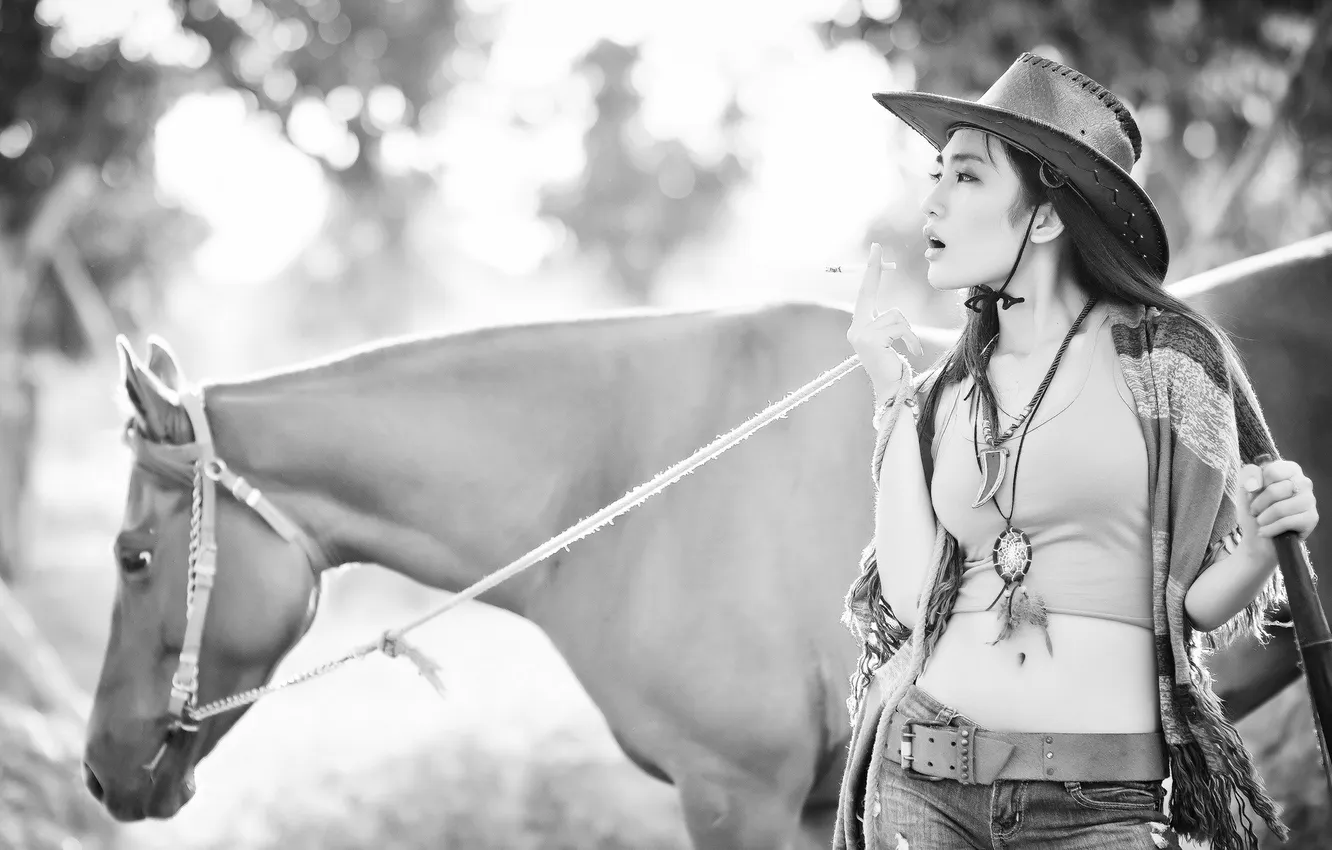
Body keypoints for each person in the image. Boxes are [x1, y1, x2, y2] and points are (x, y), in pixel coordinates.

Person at [835, 52, 1320, 850]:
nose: (932, 202)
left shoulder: (1168, 362)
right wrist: (891, 393)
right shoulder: (949, 393)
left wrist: (1266, 546)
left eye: (965, 178)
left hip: (1100, 804)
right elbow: (918, 597)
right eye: (935, 176)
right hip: (925, 781)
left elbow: (1190, 605)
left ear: (1047, 214)